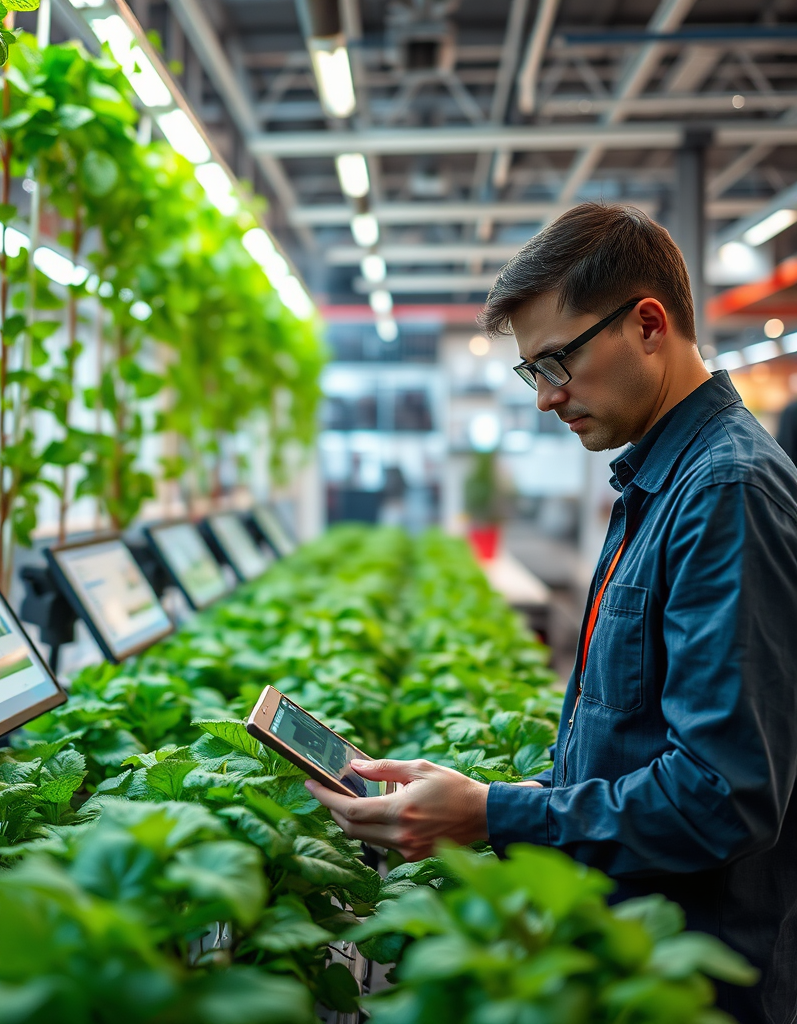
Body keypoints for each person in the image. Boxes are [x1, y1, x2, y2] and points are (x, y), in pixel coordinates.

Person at [306, 203, 797, 1024]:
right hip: (626, 947)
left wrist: (497, 812)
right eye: (533, 371)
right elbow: (644, 744)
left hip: (689, 984)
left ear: (649, 324)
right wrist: (494, 797)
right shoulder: (661, 482)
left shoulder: (724, 491)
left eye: (557, 361)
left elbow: (724, 794)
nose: (547, 398)